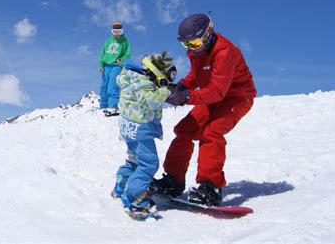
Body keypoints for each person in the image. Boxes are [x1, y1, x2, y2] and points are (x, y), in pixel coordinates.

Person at [152, 13, 257, 207]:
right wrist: (182, 86)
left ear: (207, 34)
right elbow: (195, 75)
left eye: (193, 43)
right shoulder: (197, 51)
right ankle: (173, 181)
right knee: (184, 131)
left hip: (237, 97)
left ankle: (210, 187)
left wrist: (188, 97)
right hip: (213, 97)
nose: (190, 48)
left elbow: (217, 91)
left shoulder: (225, 51)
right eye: (186, 45)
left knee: (212, 132)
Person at [111, 52, 178, 219]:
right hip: (140, 131)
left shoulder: (133, 78)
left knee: (134, 160)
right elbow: (149, 100)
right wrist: (167, 92)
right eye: (163, 81)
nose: (163, 85)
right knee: (149, 163)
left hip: (130, 129)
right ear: (154, 73)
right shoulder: (142, 83)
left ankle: (121, 185)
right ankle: (135, 199)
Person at [98, 21, 131, 114]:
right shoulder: (108, 42)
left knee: (112, 84)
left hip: (116, 66)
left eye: (119, 32)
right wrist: (101, 64)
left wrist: (122, 59)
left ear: (122, 31)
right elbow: (103, 54)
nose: (117, 34)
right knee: (103, 86)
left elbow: (127, 54)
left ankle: (113, 106)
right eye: (115, 32)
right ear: (112, 31)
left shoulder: (124, 41)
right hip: (106, 66)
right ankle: (103, 106)